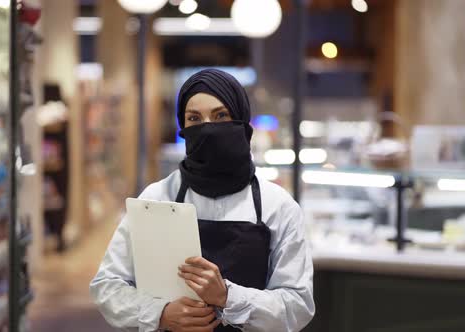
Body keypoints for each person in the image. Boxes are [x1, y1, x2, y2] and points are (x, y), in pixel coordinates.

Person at [90, 69, 315, 332]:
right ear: (183, 127)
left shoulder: (278, 207)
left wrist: (228, 297)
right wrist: (160, 313)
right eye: (194, 118)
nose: (207, 128)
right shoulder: (156, 198)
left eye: (220, 116)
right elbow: (107, 284)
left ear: (241, 121)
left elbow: (298, 306)